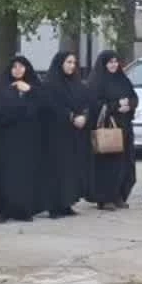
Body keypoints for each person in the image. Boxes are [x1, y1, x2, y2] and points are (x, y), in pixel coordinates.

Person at [0, 55, 43, 223]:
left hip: (26, 141)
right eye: (14, 66)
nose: (18, 70)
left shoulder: (35, 88)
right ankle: (1, 211)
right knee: (2, 175)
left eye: (21, 66)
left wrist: (29, 90)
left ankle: (22, 210)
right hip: (3, 141)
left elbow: (45, 107)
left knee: (23, 176)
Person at [42, 52, 92, 219]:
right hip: (56, 134)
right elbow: (51, 106)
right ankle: (54, 206)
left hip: (75, 135)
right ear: (60, 63)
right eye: (68, 62)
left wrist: (84, 116)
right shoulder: (50, 84)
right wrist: (71, 117)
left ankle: (67, 203)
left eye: (74, 63)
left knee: (71, 170)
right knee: (57, 170)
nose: (72, 66)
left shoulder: (77, 83)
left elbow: (87, 101)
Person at [86, 51, 138, 209]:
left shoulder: (123, 79)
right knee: (108, 164)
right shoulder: (97, 81)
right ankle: (105, 198)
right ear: (104, 64)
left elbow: (134, 96)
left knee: (125, 163)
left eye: (116, 61)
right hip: (108, 128)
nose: (114, 65)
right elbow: (95, 103)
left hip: (125, 127)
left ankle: (119, 195)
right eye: (110, 62)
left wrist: (129, 105)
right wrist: (116, 105)